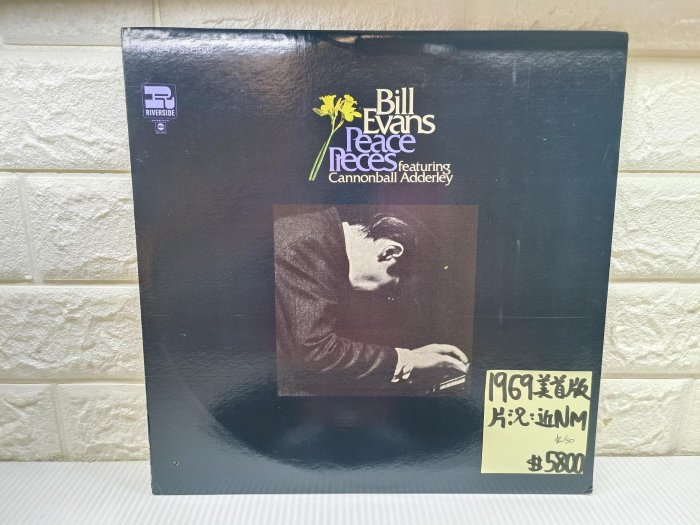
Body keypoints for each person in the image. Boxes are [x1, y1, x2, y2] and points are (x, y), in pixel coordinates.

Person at [275, 206, 468, 396]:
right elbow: (316, 352)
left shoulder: (321, 240)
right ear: (390, 252)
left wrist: (411, 356)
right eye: (392, 289)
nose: (382, 297)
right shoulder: (306, 247)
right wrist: (408, 359)